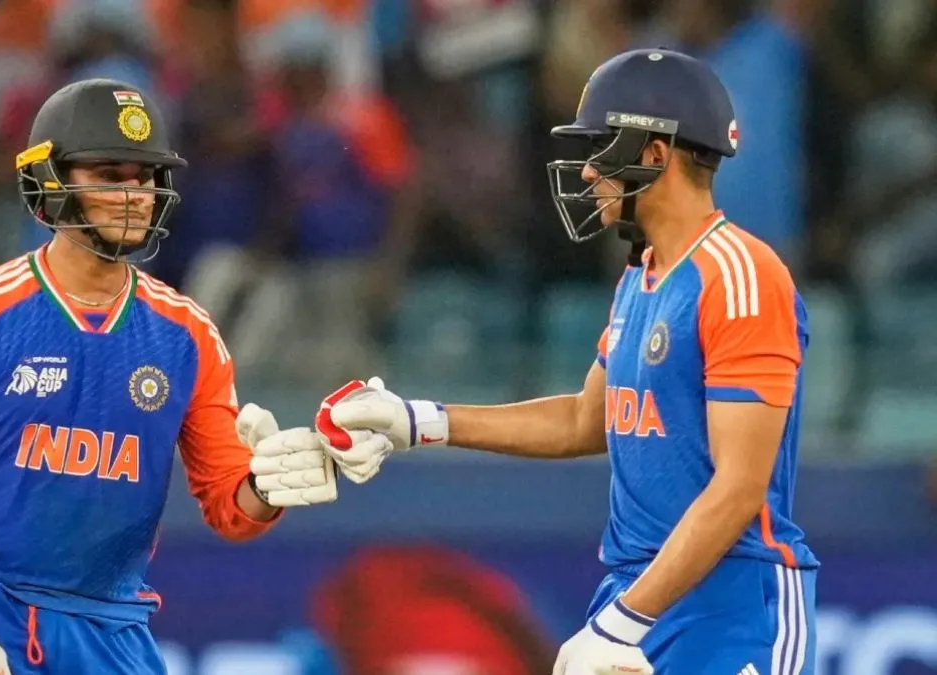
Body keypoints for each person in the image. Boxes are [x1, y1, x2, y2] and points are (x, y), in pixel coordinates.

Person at [314, 48, 818, 675]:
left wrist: (622, 622)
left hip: (733, 604)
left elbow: (739, 490)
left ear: (655, 152)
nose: (586, 171)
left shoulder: (742, 276)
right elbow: (585, 419)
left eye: (601, 147)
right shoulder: (642, 276)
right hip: (644, 589)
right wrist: (420, 421)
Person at [0, 78, 355, 675]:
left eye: (145, 177)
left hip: (112, 625)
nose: (136, 195)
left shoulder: (188, 334)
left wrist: (270, 486)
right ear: (50, 181)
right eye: (110, 175)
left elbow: (230, 505)